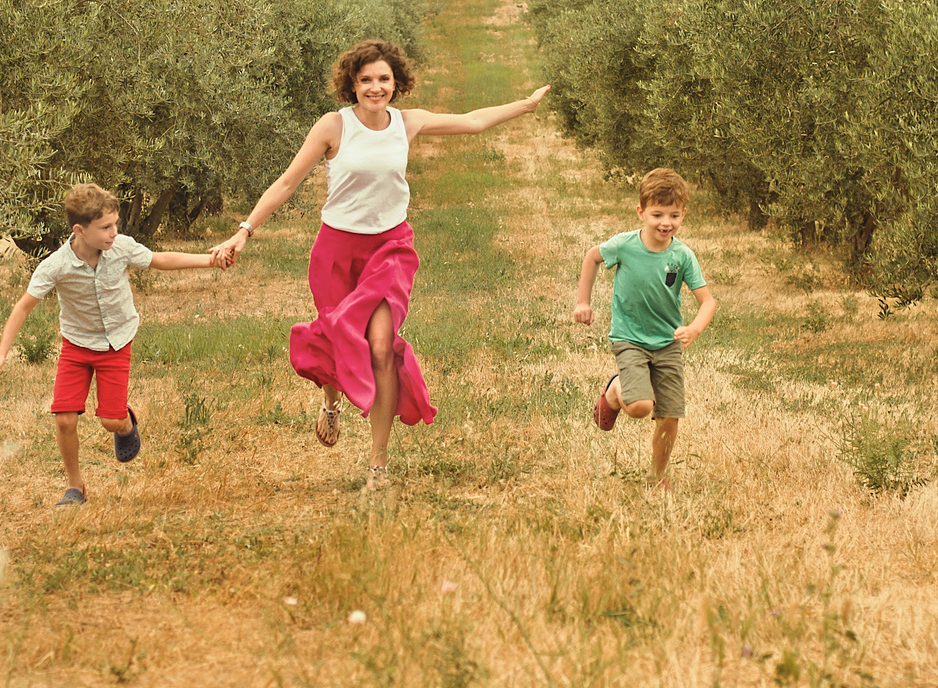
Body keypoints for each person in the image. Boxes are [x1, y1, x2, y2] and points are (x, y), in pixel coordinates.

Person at [211, 38, 548, 488]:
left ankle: (378, 465)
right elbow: (289, 181)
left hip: (390, 250)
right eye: (366, 79)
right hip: (336, 252)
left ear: (397, 82)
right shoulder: (333, 126)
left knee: (381, 346)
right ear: (352, 83)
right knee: (337, 336)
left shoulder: (408, 123)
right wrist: (244, 231)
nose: (375, 88)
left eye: (383, 79)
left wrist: (524, 106)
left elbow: (472, 122)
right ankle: (332, 402)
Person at [0, 183, 219, 507]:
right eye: (106, 227)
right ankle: (75, 487)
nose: (113, 232)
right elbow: (22, 307)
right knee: (64, 418)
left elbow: (159, 260)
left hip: (116, 343)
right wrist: (1, 353)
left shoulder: (120, 247)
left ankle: (125, 422)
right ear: (79, 230)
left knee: (110, 420)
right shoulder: (56, 265)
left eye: (115, 224)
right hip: (77, 346)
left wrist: (209, 262)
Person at [573, 167, 716, 491]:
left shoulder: (682, 255)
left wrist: (694, 328)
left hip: (667, 344)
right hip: (629, 338)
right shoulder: (624, 245)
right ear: (641, 212)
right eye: (657, 214)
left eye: (674, 215)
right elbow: (592, 257)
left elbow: (708, 302)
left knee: (668, 416)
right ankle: (614, 391)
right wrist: (583, 302)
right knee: (639, 407)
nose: (666, 222)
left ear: (683, 214)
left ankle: (658, 476)